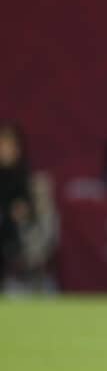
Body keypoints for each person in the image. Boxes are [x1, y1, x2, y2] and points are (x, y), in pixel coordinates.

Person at [0, 120, 33, 287]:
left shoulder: (20, 173)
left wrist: (20, 210)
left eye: (7, 145)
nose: (4, 149)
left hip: (11, 228)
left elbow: (26, 204)